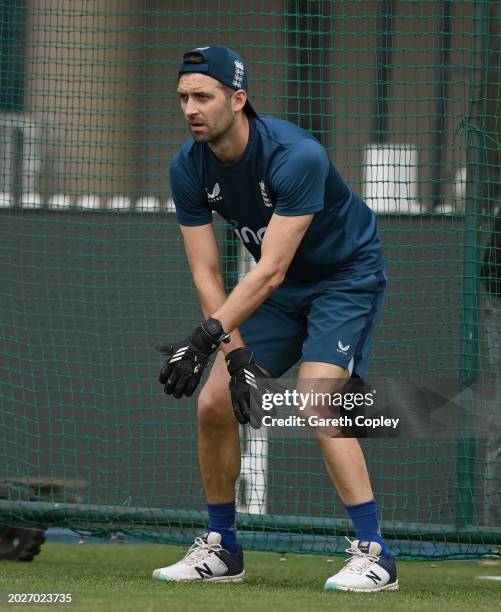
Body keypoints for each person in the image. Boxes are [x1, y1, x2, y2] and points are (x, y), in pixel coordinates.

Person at [152, 45, 398, 593]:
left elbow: (271, 268)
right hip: (280, 292)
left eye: (204, 97)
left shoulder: (295, 155)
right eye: (184, 98)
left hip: (343, 278)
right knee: (215, 401)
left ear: (238, 99)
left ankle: (376, 555)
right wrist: (232, 353)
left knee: (315, 401)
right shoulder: (187, 168)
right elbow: (206, 274)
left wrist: (204, 337)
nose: (191, 108)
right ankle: (222, 550)